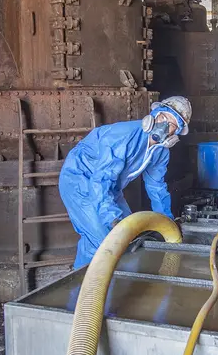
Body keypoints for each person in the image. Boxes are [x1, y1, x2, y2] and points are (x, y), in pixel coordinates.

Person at [59, 96, 191, 269]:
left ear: (176, 133)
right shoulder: (123, 136)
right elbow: (100, 180)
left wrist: (167, 221)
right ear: (153, 116)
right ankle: (84, 290)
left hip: (109, 188)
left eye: (172, 124)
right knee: (103, 243)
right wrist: (112, 218)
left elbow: (156, 187)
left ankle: (120, 289)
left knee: (129, 240)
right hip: (80, 181)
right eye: (163, 117)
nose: (164, 125)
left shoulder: (160, 152)